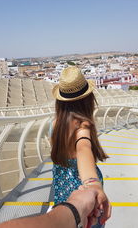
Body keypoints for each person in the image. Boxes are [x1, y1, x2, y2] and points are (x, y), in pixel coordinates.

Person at [50, 66, 111, 227]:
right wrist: (93, 184)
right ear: (88, 99)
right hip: (85, 195)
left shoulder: (54, 125)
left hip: (63, 193)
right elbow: (83, 148)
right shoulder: (83, 127)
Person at [0, 187, 106, 228]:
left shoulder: (57, 139)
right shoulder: (82, 133)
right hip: (80, 207)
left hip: (66, 202)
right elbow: (83, 148)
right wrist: (95, 185)